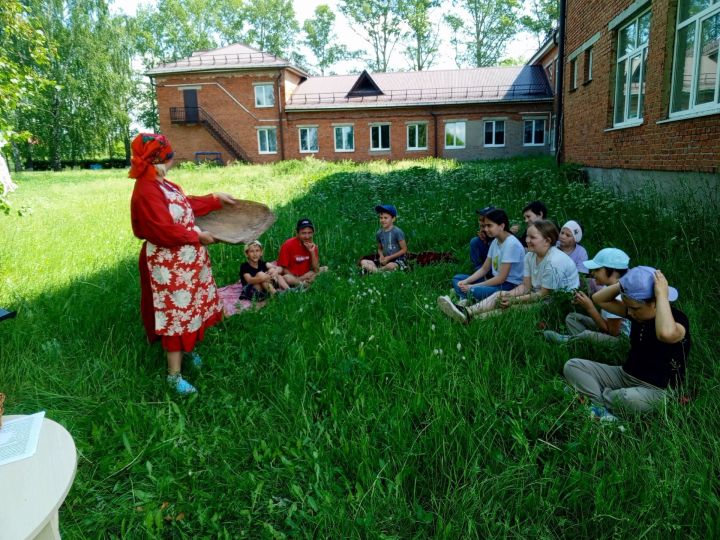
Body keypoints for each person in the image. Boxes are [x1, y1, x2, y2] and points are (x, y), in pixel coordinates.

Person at [129, 133, 237, 395]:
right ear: (158, 159)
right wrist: (196, 236)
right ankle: (173, 376)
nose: (173, 159)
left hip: (186, 262)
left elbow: (185, 205)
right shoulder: (145, 191)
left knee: (191, 309)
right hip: (167, 266)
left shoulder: (162, 183)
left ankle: (188, 351)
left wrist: (214, 198)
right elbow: (161, 230)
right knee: (175, 314)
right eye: (169, 155)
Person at [563, 267, 691, 421]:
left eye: (634, 308)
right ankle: (600, 405)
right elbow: (599, 299)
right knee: (573, 366)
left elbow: (665, 334)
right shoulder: (638, 315)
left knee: (626, 398)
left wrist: (662, 295)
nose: (629, 313)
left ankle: (590, 397)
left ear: (655, 302)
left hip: (656, 390)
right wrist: (626, 283)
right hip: (624, 375)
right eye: (628, 307)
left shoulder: (678, 319)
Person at [438, 220, 579, 323]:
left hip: (557, 302)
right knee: (500, 294)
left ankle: (470, 319)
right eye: (527, 236)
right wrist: (508, 296)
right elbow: (525, 286)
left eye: (533, 237)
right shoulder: (530, 255)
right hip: (539, 294)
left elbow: (543, 295)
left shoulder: (554, 262)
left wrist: (513, 300)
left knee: (510, 308)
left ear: (547, 241)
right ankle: (467, 312)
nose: (527, 240)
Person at [544, 247, 631, 344]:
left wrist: (590, 307)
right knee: (572, 318)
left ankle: (569, 342)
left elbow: (611, 333)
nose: (592, 273)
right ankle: (581, 342)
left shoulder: (618, 296)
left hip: (619, 341)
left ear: (613, 272)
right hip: (606, 330)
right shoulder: (608, 288)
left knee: (587, 334)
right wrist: (584, 303)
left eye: (597, 270)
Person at [448, 208, 525, 304]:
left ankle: (465, 296)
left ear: (501, 226)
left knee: (472, 290)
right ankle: (466, 296)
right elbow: (484, 268)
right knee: (457, 278)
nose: (485, 229)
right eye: (485, 226)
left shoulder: (511, 244)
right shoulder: (496, 241)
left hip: (508, 285)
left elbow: (501, 278)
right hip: (494, 281)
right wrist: (466, 281)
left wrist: (473, 286)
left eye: (489, 226)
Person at [277, 218, 328, 286]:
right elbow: (283, 268)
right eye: (303, 233)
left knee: (325, 268)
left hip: (306, 274)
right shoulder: (288, 244)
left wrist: (312, 252)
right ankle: (304, 284)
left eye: (310, 233)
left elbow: (316, 269)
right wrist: (297, 278)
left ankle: (302, 284)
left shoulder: (313, 246)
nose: (307, 236)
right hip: (292, 276)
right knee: (287, 278)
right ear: (297, 233)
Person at [360, 204, 408, 273]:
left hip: (397, 260)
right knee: (363, 262)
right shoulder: (379, 233)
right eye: (381, 217)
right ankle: (380, 271)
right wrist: (381, 256)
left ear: (393, 219)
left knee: (391, 266)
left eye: (385, 218)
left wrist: (389, 258)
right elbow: (380, 249)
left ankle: (376, 271)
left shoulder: (397, 232)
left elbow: (404, 249)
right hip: (385, 260)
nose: (382, 220)